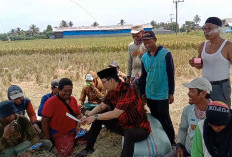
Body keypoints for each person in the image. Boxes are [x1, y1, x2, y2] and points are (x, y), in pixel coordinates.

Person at [76, 67, 151, 157]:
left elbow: (115, 113)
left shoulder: (128, 90)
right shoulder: (112, 91)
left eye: (104, 82)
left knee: (129, 133)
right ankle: (88, 148)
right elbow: (102, 106)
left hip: (138, 128)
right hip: (122, 123)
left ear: (111, 80)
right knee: (98, 117)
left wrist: (95, 117)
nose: (103, 85)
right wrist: (89, 115)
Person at [138, 31, 175, 145]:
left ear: (155, 40)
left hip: (162, 92)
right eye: (145, 43)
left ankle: (171, 141)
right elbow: (143, 76)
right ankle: (161, 140)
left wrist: (171, 92)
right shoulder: (144, 57)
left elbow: (170, 74)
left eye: (149, 42)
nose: (147, 45)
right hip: (150, 92)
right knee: (155, 117)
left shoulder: (166, 54)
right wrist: (143, 92)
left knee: (164, 117)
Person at [189, 17, 232, 107]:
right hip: (204, 86)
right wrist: (194, 63)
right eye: (205, 28)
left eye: (210, 28)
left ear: (219, 29)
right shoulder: (203, 45)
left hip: (221, 87)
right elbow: (200, 65)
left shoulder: (228, 46)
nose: (206, 31)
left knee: (222, 113)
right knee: (206, 113)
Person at [165, 77, 212, 157]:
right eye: (189, 91)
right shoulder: (187, 110)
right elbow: (183, 129)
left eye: (192, 91)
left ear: (203, 93)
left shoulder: (216, 112)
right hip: (187, 150)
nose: (188, 94)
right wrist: (179, 146)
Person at [41, 78, 82, 156]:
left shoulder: (73, 99)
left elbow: (78, 114)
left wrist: (78, 125)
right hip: (59, 133)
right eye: (65, 91)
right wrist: (48, 139)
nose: (68, 93)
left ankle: (72, 141)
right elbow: (44, 121)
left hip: (74, 130)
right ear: (59, 89)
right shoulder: (50, 102)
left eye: (70, 91)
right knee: (65, 152)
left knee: (90, 137)